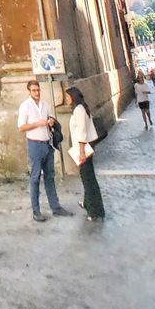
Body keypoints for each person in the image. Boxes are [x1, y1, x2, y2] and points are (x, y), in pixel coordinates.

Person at [16, 78, 72, 223]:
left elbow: (49, 119)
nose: (37, 92)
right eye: (34, 90)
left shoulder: (44, 104)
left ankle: (56, 206)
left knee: (50, 176)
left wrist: (50, 121)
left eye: (38, 90)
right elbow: (21, 127)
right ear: (29, 91)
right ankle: (36, 210)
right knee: (35, 177)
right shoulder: (25, 106)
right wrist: (37, 123)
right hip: (35, 144)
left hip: (47, 143)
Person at [66, 85, 105, 221]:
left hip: (83, 150)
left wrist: (81, 152)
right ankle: (89, 204)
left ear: (73, 96)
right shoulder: (80, 109)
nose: (66, 99)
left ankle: (95, 211)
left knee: (88, 180)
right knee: (87, 178)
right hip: (83, 149)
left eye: (67, 96)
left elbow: (82, 131)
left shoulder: (79, 110)